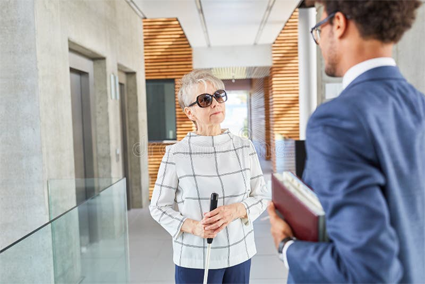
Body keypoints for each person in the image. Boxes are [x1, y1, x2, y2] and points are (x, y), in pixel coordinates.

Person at [268, 0, 425, 283]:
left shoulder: (337, 120)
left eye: (319, 28)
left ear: (338, 24)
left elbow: (368, 271)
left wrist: (286, 247)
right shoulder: (420, 106)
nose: (319, 42)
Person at [149, 70, 269, 284]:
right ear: (190, 113)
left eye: (219, 95)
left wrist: (236, 210)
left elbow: (261, 196)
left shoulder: (245, 147)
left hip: (239, 253)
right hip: (195, 258)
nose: (215, 103)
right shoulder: (176, 153)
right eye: (205, 100)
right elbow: (158, 207)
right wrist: (194, 227)